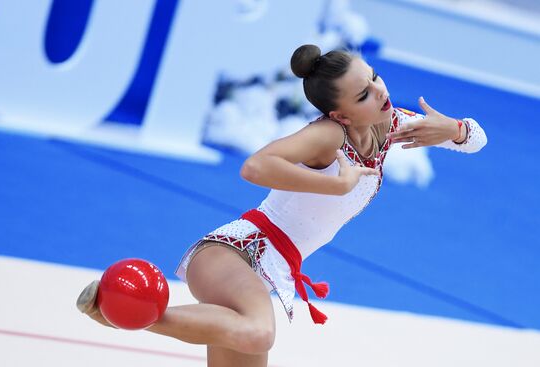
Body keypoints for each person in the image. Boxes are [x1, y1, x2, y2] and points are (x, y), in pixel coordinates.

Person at [76, 44, 487, 367]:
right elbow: (255, 167)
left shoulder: (388, 124)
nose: (379, 92)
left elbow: (477, 141)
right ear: (338, 113)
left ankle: (131, 313)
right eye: (363, 94)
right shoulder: (328, 136)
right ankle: (126, 312)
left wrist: (454, 128)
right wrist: (337, 186)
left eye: (375, 78)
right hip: (237, 252)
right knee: (259, 333)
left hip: (269, 263)